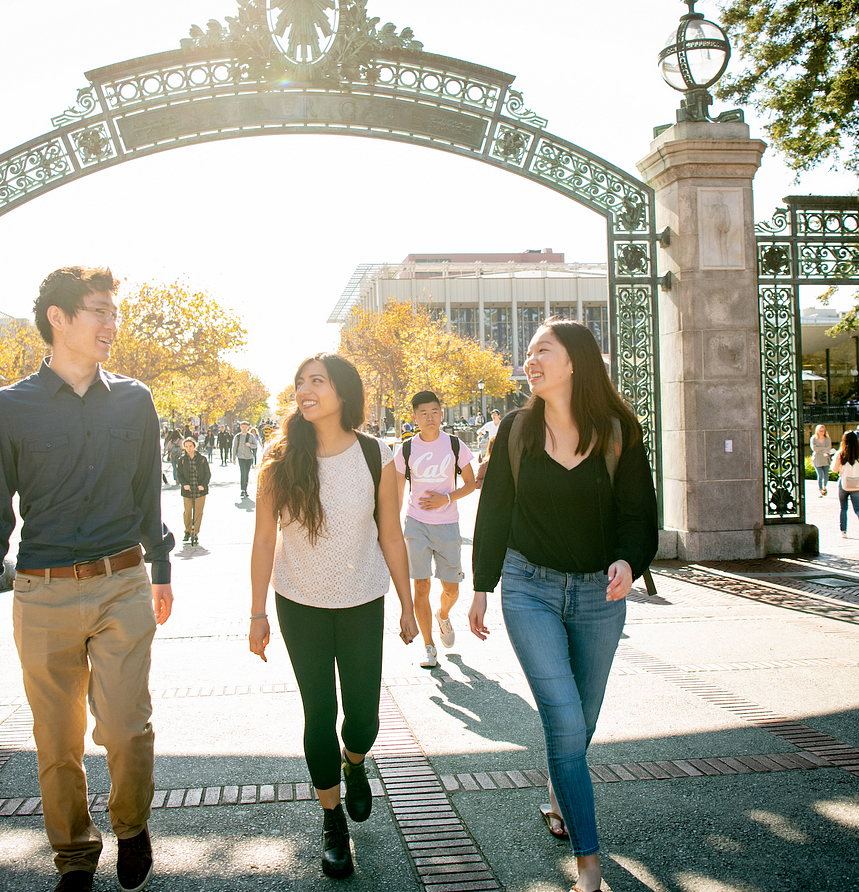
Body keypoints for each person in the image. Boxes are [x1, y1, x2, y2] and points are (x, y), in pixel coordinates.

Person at [0, 267, 174, 892]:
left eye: (114, 311)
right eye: (99, 310)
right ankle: (75, 855)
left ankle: (131, 825)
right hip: (41, 591)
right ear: (58, 318)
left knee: (127, 728)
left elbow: (146, 498)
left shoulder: (136, 399)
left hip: (121, 582)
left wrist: (160, 571)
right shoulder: (8, 407)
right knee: (56, 739)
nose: (112, 323)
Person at [469, 320, 658, 892]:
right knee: (563, 715)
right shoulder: (515, 430)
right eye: (527, 353)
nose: (529, 360)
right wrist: (481, 586)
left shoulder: (619, 430)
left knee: (584, 716)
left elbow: (639, 512)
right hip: (529, 587)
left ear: (574, 360)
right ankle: (589, 862)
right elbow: (495, 510)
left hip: (601, 593)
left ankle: (559, 791)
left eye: (541, 350)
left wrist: (629, 560)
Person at [249, 353, 418, 880]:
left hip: (363, 600)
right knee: (318, 714)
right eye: (300, 381)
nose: (305, 389)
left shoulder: (377, 455)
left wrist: (409, 604)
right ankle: (332, 822)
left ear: (343, 393)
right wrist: (257, 612)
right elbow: (262, 540)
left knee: (363, 717)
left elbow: (391, 533)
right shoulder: (278, 458)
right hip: (300, 604)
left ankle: (355, 761)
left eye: (316, 381)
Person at [393, 390, 477, 668]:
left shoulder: (455, 445)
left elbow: (470, 483)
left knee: (451, 588)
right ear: (415, 418)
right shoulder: (405, 450)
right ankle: (429, 647)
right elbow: (396, 493)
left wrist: (446, 498)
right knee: (421, 586)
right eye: (423, 413)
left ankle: (443, 614)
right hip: (416, 525)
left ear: (441, 414)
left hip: (447, 525)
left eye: (434, 412)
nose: (429, 417)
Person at [177, 436, 211, 547]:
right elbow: (180, 475)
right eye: (186, 447)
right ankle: (187, 531)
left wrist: (203, 485)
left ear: (194, 446)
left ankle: (195, 532)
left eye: (190, 446)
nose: (188, 449)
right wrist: (184, 484)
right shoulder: (182, 460)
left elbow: (207, 473)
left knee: (198, 512)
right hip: (188, 489)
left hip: (199, 489)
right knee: (187, 511)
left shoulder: (201, 459)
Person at [233, 421, 260, 499]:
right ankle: (243, 490)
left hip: (249, 457)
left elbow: (255, 446)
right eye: (243, 427)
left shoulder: (251, 436)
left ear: (248, 428)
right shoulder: (237, 436)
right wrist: (233, 458)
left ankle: (246, 489)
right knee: (243, 472)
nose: (244, 429)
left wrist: (250, 445)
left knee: (247, 473)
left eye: (246, 427)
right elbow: (234, 447)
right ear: (240, 427)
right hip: (241, 457)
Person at [810, 424, 834, 497]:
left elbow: (828, 448)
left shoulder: (828, 439)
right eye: (820, 431)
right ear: (817, 431)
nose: (821, 432)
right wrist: (823, 448)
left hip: (825, 458)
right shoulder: (813, 438)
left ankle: (824, 487)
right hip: (817, 458)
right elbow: (814, 449)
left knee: (826, 475)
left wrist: (820, 448)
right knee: (820, 475)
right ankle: (820, 489)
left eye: (823, 431)